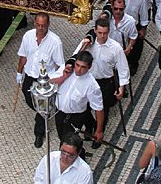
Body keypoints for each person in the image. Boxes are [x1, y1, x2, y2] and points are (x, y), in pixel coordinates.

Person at [71, 17, 129, 146]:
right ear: (95, 31)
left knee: (103, 110)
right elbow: (75, 56)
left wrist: (122, 87)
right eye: (99, 33)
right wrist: (85, 44)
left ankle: (99, 132)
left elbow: (123, 68)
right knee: (84, 107)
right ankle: (90, 125)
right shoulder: (88, 43)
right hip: (88, 81)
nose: (102, 36)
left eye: (105, 33)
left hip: (106, 83)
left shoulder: (115, 48)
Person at [17, 12, 64, 148]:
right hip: (29, 75)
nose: (40, 28)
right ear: (34, 23)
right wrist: (19, 73)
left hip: (44, 79)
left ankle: (39, 131)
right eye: (38, 25)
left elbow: (60, 65)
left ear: (48, 25)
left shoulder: (55, 42)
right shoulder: (27, 36)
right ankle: (44, 111)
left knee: (41, 107)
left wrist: (53, 81)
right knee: (29, 99)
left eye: (43, 25)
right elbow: (23, 56)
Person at [51, 51, 104, 146]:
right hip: (59, 112)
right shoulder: (67, 69)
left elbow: (98, 109)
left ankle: (78, 157)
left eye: (83, 67)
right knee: (61, 137)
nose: (79, 69)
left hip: (75, 117)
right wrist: (64, 76)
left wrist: (99, 131)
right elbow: (50, 82)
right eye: (77, 65)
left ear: (89, 67)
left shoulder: (92, 85)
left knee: (68, 144)